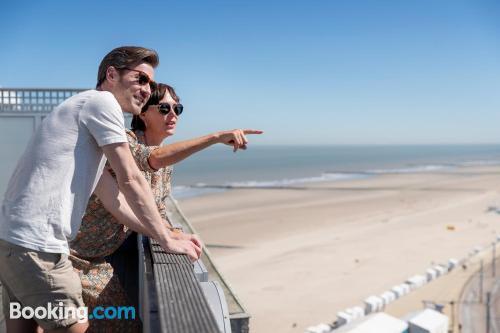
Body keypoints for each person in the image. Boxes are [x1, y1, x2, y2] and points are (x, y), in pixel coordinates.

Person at [0, 47, 201, 333]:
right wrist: (166, 241)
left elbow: (114, 199)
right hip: (37, 247)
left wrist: (162, 232)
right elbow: (130, 177)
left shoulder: (83, 116)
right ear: (111, 74)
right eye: (141, 79)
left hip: (11, 243)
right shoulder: (101, 103)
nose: (147, 90)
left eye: (151, 84)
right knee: (77, 326)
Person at [69, 82, 263, 332]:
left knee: (124, 322)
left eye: (177, 109)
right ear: (142, 113)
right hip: (79, 255)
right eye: (163, 108)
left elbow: (157, 206)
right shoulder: (123, 141)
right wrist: (214, 138)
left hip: (107, 256)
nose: (172, 115)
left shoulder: (166, 160)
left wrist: (173, 232)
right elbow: (151, 159)